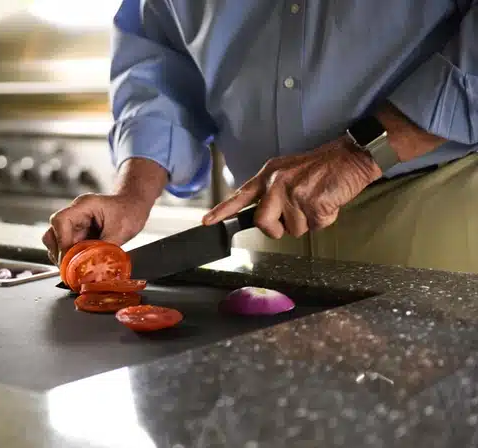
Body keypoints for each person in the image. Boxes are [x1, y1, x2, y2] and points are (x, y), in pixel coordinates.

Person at [43, 0, 478, 273]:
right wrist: (133, 193)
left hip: (430, 212)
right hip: (264, 228)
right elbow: (157, 61)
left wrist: (363, 152)